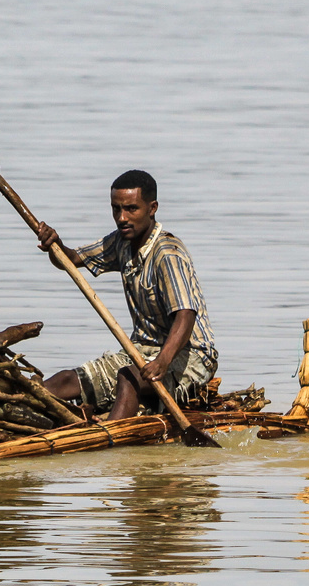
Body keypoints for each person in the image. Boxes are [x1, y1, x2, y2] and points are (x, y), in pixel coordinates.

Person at [35, 170, 218, 424]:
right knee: (66, 380)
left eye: (131, 209)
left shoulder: (167, 254)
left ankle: (109, 439)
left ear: (152, 208)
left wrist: (162, 362)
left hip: (189, 354)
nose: (122, 218)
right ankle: (20, 415)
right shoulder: (121, 241)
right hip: (141, 349)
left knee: (128, 378)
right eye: (116, 209)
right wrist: (54, 244)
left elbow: (185, 316)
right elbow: (72, 259)